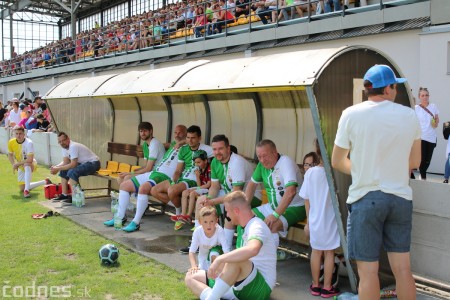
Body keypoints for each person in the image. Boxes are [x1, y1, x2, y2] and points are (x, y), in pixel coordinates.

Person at [332, 64, 421, 300]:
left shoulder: (350, 114)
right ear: (389, 88)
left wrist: (364, 171)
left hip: (366, 198)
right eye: (395, 86)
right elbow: (415, 161)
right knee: (403, 269)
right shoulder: (409, 115)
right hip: (401, 198)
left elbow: (337, 161)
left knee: (368, 272)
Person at [185, 191, 276, 300]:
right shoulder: (243, 226)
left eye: (227, 211)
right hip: (241, 283)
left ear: (236, 211)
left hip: (259, 288)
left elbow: (253, 249)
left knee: (235, 260)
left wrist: (220, 260)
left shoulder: (257, 225)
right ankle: (214, 296)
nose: (227, 215)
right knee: (190, 277)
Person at [104, 124, 187, 232]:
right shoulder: (172, 144)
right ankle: (119, 217)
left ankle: (136, 222)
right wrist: (170, 144)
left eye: (180, 132)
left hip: (165, 176)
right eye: (175, 132)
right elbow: (164, 145)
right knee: (124, 185)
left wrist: (182, 142)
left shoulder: (187, 146)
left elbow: (195, 143)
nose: (177, 135)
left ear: (186, 134)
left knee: (143, 188)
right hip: (155, 172)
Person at [196, 134, 256, 250]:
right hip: (230, 195)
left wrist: (213, 201)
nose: (217, 152)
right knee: (201, 201)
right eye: (214, 149)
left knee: (231, 209)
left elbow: (236, 194)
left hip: (249, 196)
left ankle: (226, 247)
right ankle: (201, 241)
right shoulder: (214, 162)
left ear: (228, 148)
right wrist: (208, 200)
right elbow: (214, 187)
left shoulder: (236, 162)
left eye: (220, 148)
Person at [245, 139, 306, 250]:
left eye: (265, 156)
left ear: (275, 152)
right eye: (259, 157)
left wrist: (275, 215)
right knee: (246, 218)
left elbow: (291, 192)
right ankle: (245, 253)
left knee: (272, 225)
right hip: (273, 207)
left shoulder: (285, 162)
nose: (262, 160)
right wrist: (244, 207)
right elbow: (251, 185)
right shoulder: (261, 165)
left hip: (295, 207)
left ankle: (270, 258)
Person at [151, 125, 213, 231]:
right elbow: (178, 170)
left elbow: (221, 154)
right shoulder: (183, 149)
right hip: (183, 178)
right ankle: (180, 212)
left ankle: (181, 215)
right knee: (154, 190)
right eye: (188, 138)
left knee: (172, 191)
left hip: (194, 180)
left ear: (199, 138)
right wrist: (173, 181)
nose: (190, 140)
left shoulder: (207, 149)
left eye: (193, 138)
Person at [299, 141, 340, 298]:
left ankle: (316, 285)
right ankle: (327, 287)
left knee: (316, 252)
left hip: (314, 219)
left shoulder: (311, 172)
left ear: (317, 153)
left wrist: (309, 221)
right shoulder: (335, 172)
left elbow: (306, 198)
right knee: (330, 253)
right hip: (330, 219)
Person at [50, 132, 101, 205]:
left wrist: (58, 168)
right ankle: (64, 195)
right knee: (63, 171)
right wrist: (56, 167)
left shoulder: (73, 146)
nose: (62, 143)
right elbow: (65, 162)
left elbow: (73, 164)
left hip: (94, 164)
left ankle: (76, 197)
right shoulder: (64, 147)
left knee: (72, 172)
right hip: (84, 163)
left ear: (68, 139)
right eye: (59, 142)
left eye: (63, 140)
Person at [8, 126, 51, 197]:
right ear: (14, 134)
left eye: (20, 134)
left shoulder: (29, 143)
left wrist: (17, 164)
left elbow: (30, 159)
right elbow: (10, 155)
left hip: (31, 163)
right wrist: (13, 164)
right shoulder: (11, 142)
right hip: (20, 165)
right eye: (17, 134)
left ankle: (26, 191)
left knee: (26, 164)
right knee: (22, 187)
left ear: (24, 134)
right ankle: (45, 181)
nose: (18, 136)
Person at [172, 149, 211, 226]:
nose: (197, 164)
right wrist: (197, 176)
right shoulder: (199, 169)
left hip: (208, 189)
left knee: (193, 193)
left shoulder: (209, 169)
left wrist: (196, 188)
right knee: (185, 192)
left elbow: (208, 185)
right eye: (195, 162)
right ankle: (183, 215)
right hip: (202, 188)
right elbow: (199, 184)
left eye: (199, 162)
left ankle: (189, 216)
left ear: (205, 161)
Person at [188, 206, 229, 273]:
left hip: (217, 259)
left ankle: (217, 272)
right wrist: (194, 266)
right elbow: (192, 251)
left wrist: (227, 265)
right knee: (194, 274)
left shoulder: (219, 230)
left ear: (216, 221)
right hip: (203, 260)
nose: (208, 225)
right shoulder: (198, 231)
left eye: (211, 221)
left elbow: (226, 249)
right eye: (205, 222)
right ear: (200, 222)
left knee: (214, 253)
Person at [415, 87, 439, 180]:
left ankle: (422, 174)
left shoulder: (433, 106)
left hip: (432, 137)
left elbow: (437, 119)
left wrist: (435, 123)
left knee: (428, 160)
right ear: (419, 97)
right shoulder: (416, 108)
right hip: (422, 137)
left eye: (426, 95)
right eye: (423, 95)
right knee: (422, 159)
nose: (425, 97)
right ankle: (423, 177)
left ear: (429, 96)